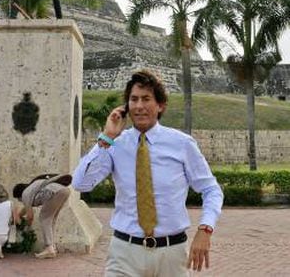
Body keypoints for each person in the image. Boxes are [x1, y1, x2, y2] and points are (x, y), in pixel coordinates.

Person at [72, 69, 223, 276]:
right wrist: (106, 137)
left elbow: (211, 189)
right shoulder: (114, 144)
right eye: (134, 99)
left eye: (146, 99)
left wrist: (205, 230)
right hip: (124, 253)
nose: (139, 106)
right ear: (127, 107)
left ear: (160, 105)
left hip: (172, 255)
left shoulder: (182, 144)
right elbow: (81, 184)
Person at [12, 173, 72, 259]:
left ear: (19, 194)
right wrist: (18, 215)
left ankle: (49, 248)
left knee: (44, 218)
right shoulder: (31, 190)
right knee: (51, 218)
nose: (19, 201)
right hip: (64, 191)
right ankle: (52, 247)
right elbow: (26, 209)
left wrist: (27, 227)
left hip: (55, 192)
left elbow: (30, 216)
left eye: (18, 199)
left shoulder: (25, 194)